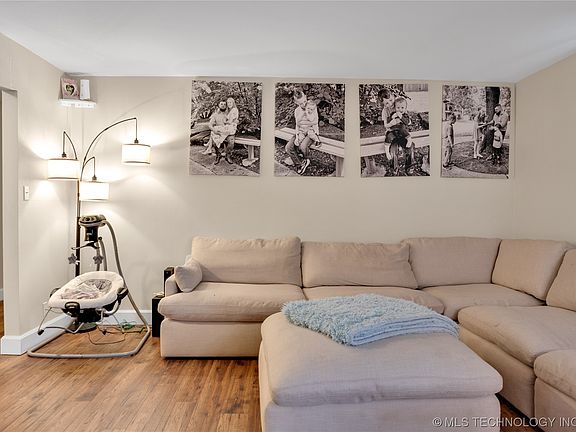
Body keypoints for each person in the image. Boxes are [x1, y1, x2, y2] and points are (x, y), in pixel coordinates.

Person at [285, 91, 315, 175]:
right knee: (288, 147)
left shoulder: (312, 107)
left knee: (303, 146)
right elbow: (297, 125)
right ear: (296, 102)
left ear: (306, 96)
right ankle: (299, 164)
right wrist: (297, 137)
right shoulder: (297, 111)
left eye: (305, 101)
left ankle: (306, 159)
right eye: (301, 103)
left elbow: (314, 123)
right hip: (301, 131)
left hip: (310, 132)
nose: (304, 104)